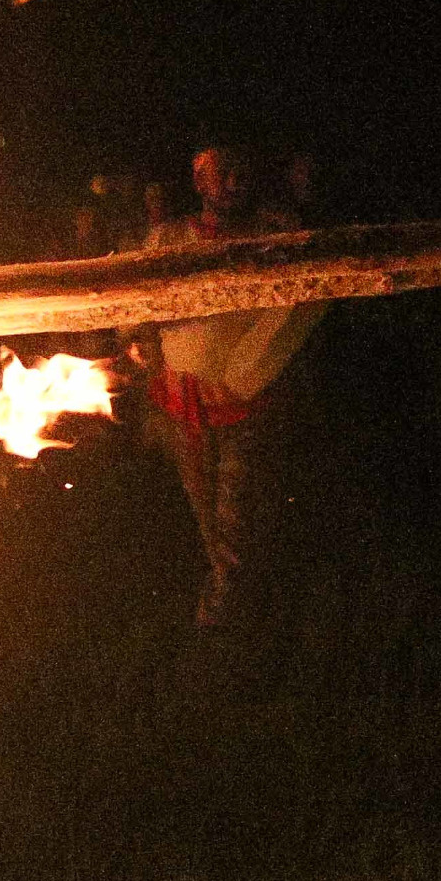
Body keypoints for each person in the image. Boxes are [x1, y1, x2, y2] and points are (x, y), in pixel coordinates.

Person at [145, 143, 329, 629]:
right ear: (198, 177)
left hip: (242, 411)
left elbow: (298, 306)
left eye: (240, 171)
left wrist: (242, 378)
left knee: (235, 531)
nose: (233, 183)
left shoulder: (273, 239)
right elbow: (141, 311)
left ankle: (222, 633)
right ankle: (241, 614)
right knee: (208, 521)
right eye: (221, 172)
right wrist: (147, 358)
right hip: (182, 409)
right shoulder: (168, 240)